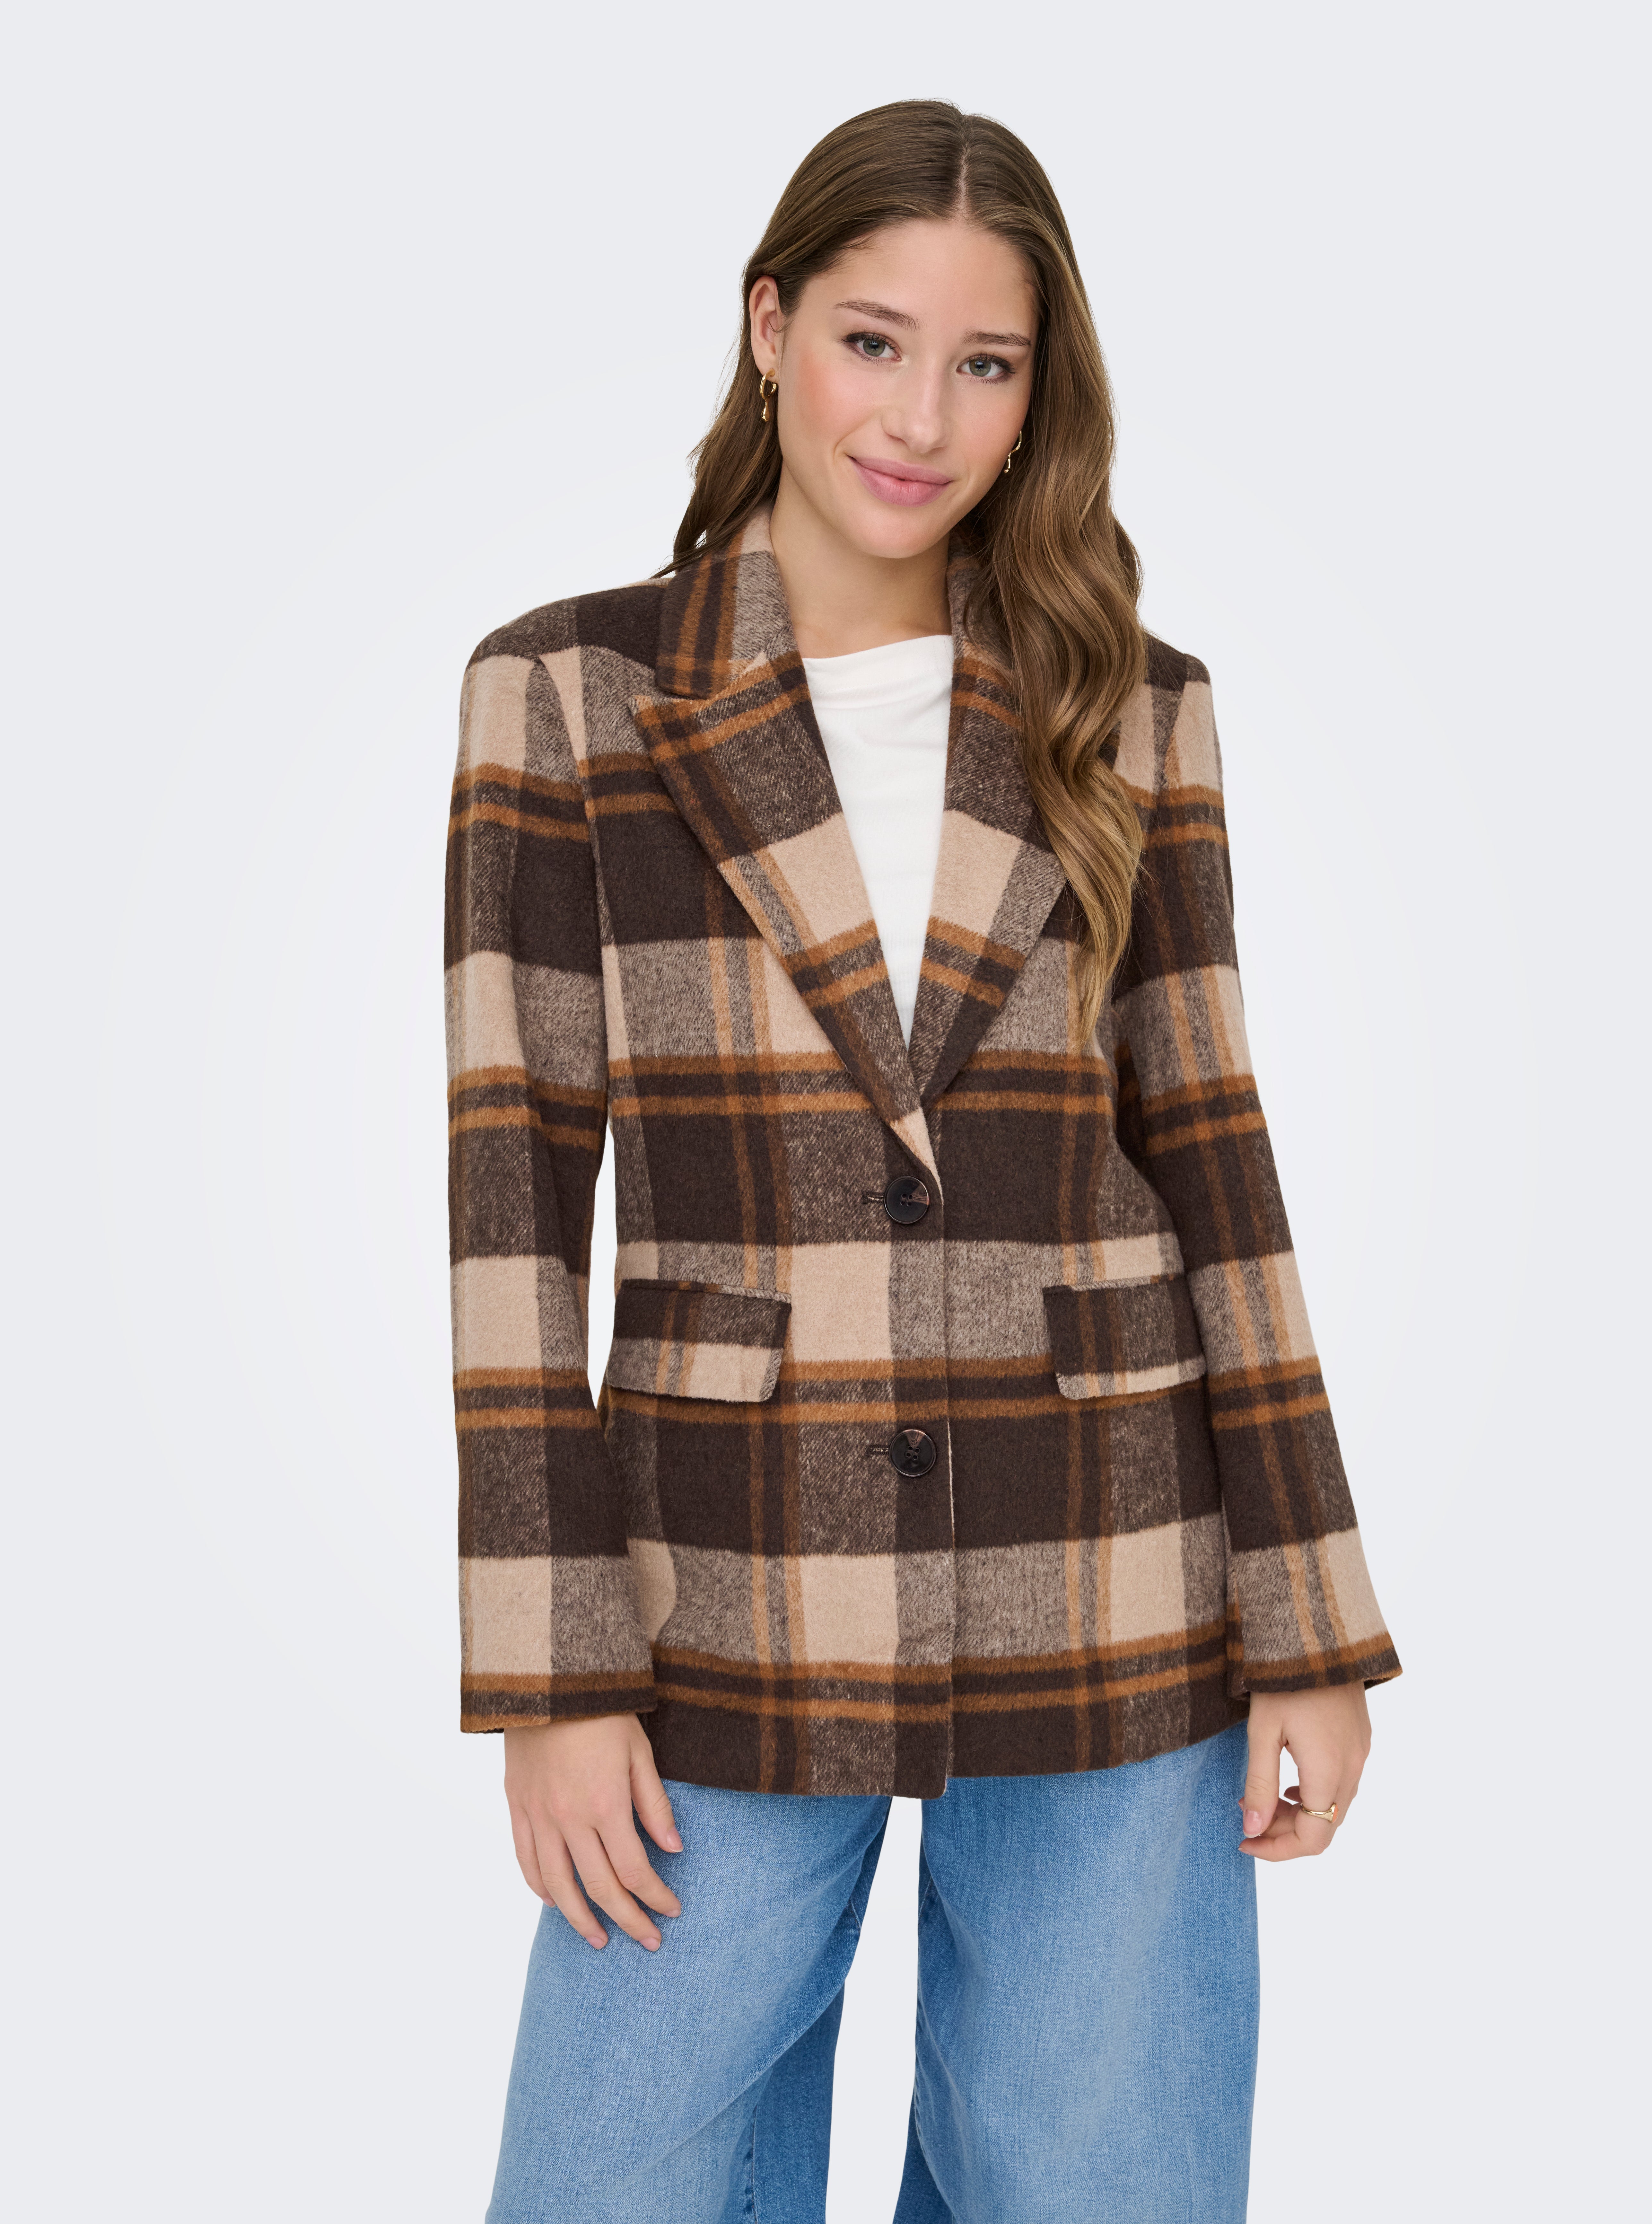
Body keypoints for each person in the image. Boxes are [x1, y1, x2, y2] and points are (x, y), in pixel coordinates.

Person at [445, 98, 1400, 2224]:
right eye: (874, 342)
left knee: (1100, 2182)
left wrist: (1309, 1620)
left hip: (1116, 1565)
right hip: (716, 1586)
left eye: (986, 364)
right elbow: (513, 1209)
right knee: (615, 2177)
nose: (920, 417)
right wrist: (551, 1676)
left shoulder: (1127, 706)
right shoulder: (568, 695)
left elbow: (1215, 1152)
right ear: (770, 327)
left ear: (1039, 395)